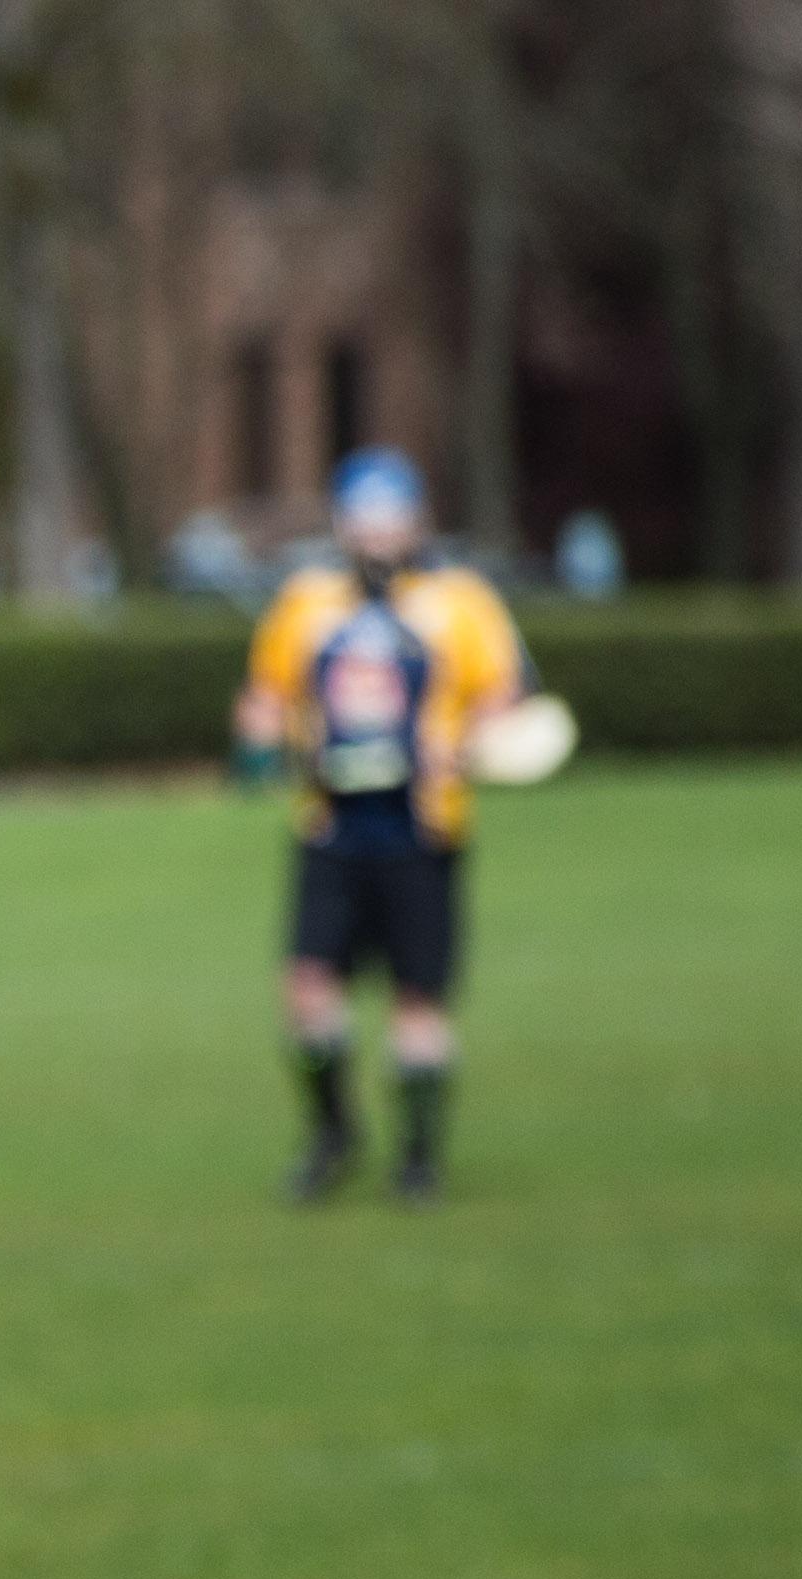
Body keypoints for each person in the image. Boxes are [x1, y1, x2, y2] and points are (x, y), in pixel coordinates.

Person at [234, 448, 528, 1205]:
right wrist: (260, 744)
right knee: (307, 990)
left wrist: (460, 745)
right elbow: (264, 697)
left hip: (420, 833)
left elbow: (505, 697)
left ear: (415, 521)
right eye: (363, 520)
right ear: (341, 524)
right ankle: (331, 1137)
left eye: (390, 519)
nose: (376, 535)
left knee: (417, 1000)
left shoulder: (458, 601)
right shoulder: (307, 601)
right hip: (330, 830)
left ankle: (419, 1159)